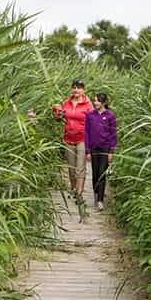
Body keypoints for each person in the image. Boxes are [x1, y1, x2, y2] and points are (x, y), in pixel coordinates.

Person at [53, 79, 93, 212]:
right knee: (71, 167)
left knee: (79, 167)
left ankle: (79, 193)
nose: (76, 90)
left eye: (79, 88)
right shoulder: (66, 103)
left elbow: (93, 121)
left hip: (82, 139)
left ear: (84, 90)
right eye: (74, 87)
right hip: (68, 138)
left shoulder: (88, 104)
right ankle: (73, 188)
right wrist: (57, 113)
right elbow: (59, 119)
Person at [84, 92, 117, 211]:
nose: (95, 103)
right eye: (94, 100)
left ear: (104, 102)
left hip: (105, 149)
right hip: (93, 148)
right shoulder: (90, 115)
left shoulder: (110, 116)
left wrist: (111, 151)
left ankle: (100, 200)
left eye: (97, 101)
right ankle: (96, 193)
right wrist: (87, 151)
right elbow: (86, 133)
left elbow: (113, 134)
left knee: (102, 174)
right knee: (95, 173)